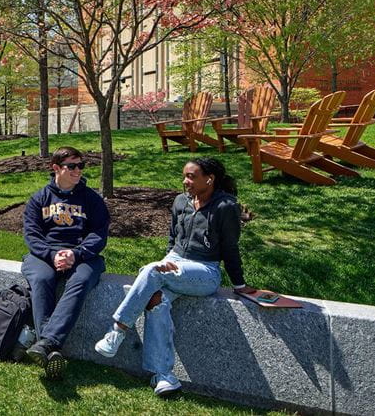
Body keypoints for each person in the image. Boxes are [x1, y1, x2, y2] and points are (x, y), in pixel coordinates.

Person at [94, 157, 255, 397]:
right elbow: (173, 238)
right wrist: (169, 261)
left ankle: (118, 329)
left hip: (205, 271)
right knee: (156, 300)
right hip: (176, 261)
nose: (185, 181)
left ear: (209, 179)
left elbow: (230, 249)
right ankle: (165, 376)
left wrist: (239, 284)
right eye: (185, 175)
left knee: (150, 271)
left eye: (192, 176)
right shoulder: (181, 201)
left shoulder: (225, 207)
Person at [22, 146, 109, 379]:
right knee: (42, 278)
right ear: (56, 168)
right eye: (72, 166)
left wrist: (76, 254)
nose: (78, 170)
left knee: (81, 279)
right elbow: (32, 235)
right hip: (43, 255)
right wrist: (52, 255)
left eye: (80, 165)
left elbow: (99, 234)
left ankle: (45, 344)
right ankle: (50, 348)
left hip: (82, 255)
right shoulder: (39, 198)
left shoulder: (92, 199)